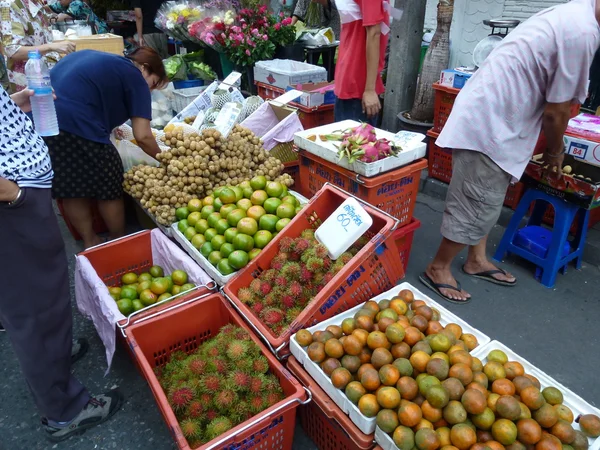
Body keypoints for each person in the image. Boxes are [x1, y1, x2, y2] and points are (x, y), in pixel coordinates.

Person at [420, 0, 600, 304]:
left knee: (486, 197)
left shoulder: (578, 15)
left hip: (498, 115)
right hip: (492, 121)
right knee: (476, 201)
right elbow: (556, 114)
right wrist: (556, 153)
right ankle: (438, 268)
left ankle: (476, 259)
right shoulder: (581, 32)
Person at [0, 86, 123, 442]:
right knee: (33, 307)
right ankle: (64, 410)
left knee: (45, 294)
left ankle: (53, 356)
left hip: (20, 195)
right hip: (12, 205)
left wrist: (13, 105)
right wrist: (15, 194)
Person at [45, 47, 167, 249]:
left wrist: (109, 124)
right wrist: (166, 159)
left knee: (71, 186)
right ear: (145, 68)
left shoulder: (106, 59)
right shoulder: (135, 77)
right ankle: (118, 240)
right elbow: (143, 136)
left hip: (46, 120)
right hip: (77, 122)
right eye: (153, 83)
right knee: (109, 183)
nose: (149, 90)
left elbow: (88, 90)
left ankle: (90, 240)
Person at [0, 0, 75, 92]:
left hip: (48, 76)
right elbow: (13, 50)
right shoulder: (10, 4)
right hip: (31, 84)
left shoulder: (36, 4)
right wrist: (51, 47)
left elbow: (42, 39)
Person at [333, 0, 388, 125]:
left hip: (358, 85)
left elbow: (374, 32)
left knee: (352, 142)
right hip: (351, 80)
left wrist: (369, 90)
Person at [46, 0, 110, 34]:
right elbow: (48, 8)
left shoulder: (77, 3)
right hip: (84, 29)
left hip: (98, 30)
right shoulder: (63, 3)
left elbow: (63, 17)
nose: (58, 1)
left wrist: (47, 20)